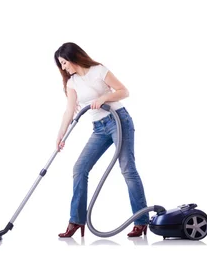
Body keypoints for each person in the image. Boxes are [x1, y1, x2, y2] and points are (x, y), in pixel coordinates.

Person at [53, 42, 149, 238]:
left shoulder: (98, 70)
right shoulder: (72, 83)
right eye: (61, 65)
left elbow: (124, 91)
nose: (63, 68)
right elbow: (70, 110)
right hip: (99, 129)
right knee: (79, 169)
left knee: (127, 169)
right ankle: (76, 220)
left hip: (119, 121)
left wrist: (104, 98)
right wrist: (60, 135)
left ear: (73, 57)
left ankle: (141, 221)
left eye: (64, 62)